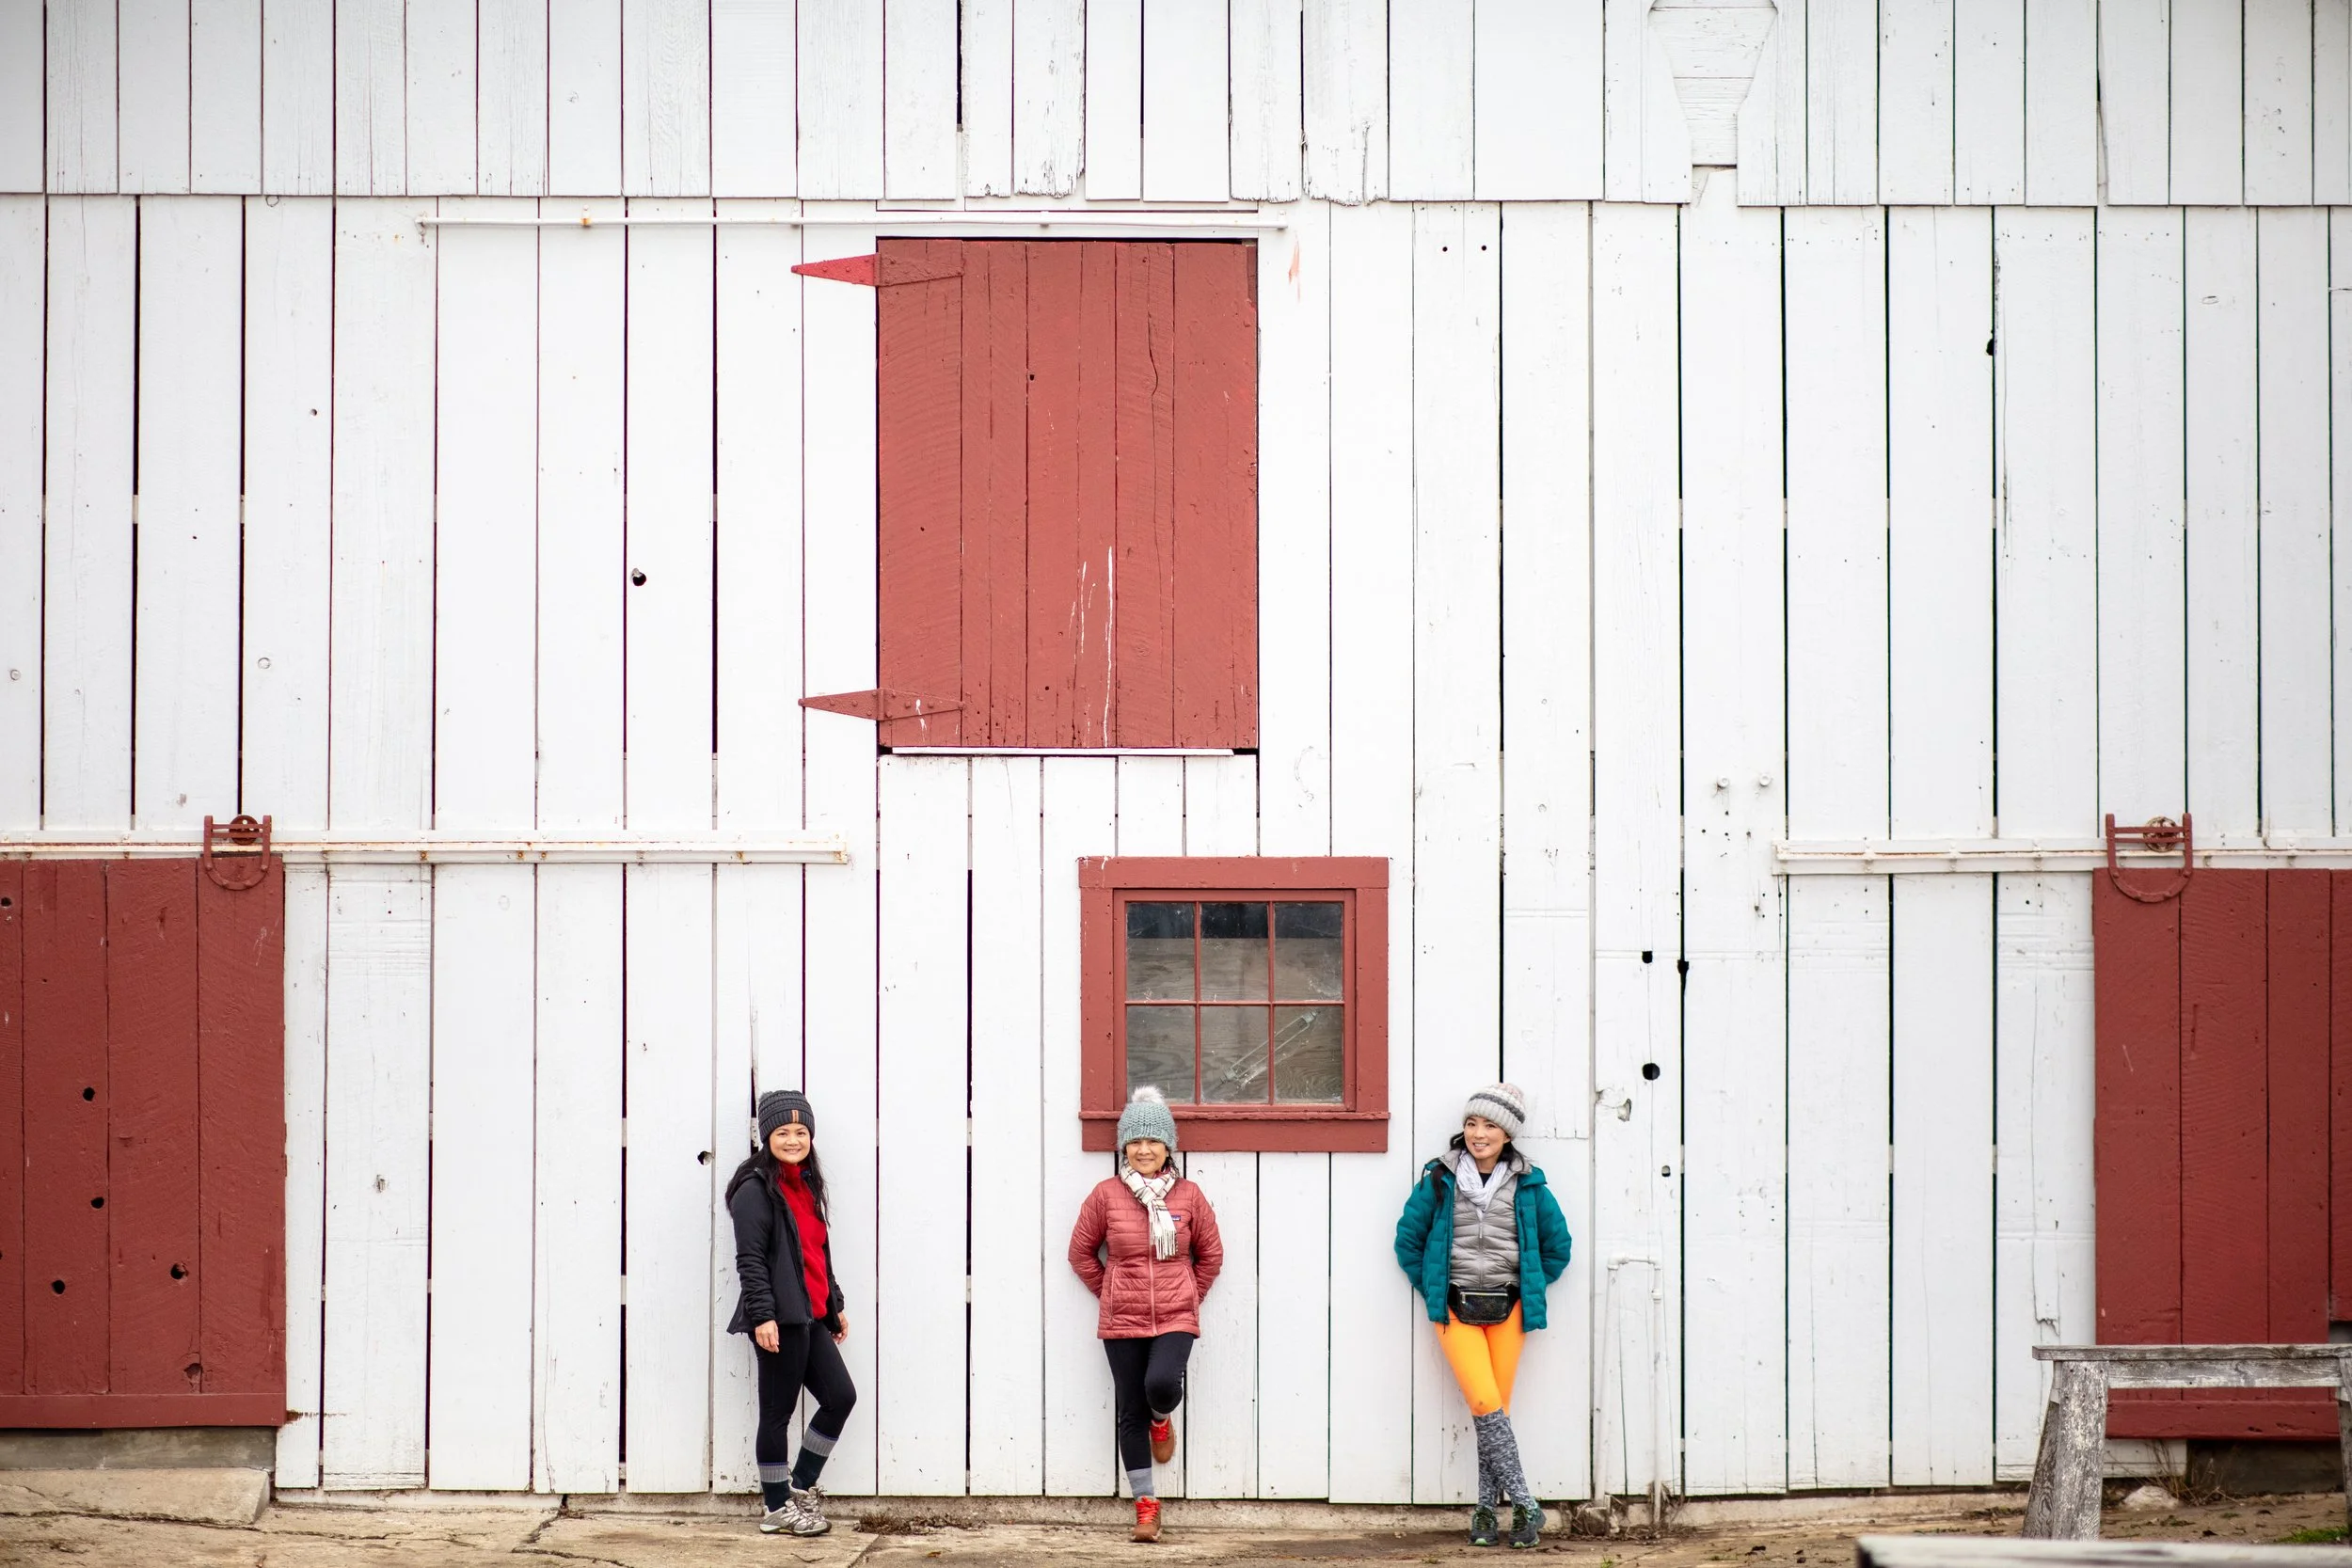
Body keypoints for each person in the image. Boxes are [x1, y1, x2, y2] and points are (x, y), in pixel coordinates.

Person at [1392, 1083, 1573, 1550]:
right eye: (1472, 1123)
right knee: (1484, 1405)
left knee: (1496, 1414)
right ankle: (1528, 1505)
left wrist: (1527, 1285)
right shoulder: (1439, 1178)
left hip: (1509, 1309)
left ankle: (1487, 1513)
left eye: (1489, 1125)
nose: (1478, 1133)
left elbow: (1557, 1248)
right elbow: (1408, 1242)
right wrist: (1435, 1286)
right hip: (1455, 1309)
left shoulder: (1530, 1186)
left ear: (1508, 1133)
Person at [1067, 1085, 1225, 1544]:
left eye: (1152, 1141)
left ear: (1167, 1147)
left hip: (1176, 1315)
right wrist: (1112, 1292)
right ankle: (1146, 1507)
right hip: (1121, 1319)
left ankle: (1163, 1417)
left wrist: (1189, 1294)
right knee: (1127, 1410)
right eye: (1135, 1142)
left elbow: (1211, 1256)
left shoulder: (1190, 1196)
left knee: (1158, 1387)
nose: (1143, 1150)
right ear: (1124, 1147)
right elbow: (1080, 1254)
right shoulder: (1106, 1195)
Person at [725, 1089, 856, 1537]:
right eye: (783, 1132)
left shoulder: (806, 1182)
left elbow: (818, 1251)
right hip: (779, 1318)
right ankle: (777, 1507)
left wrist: (833, 1306)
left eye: (801, 1131)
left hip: (810, 1314)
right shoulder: (755, 1188)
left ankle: (801, 1485)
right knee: (777, 1414)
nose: (793, 1139)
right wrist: (762, 1317)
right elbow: (751, 1259)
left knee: (841, 1397)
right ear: (767, 1136)